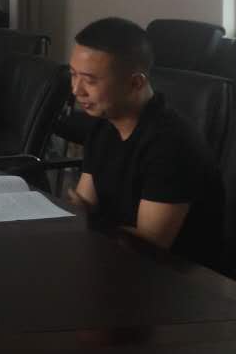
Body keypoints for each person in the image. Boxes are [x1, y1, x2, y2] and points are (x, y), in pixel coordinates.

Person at [66, 17, 223, 264]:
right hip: (114, 260)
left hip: (176, 278)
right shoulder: (104, 124)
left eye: (90, 80)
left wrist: (88, 219)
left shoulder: (172, 145)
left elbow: (148, 246)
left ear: (135, 83)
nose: (77, 90)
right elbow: (85, 205)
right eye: (73, 75)